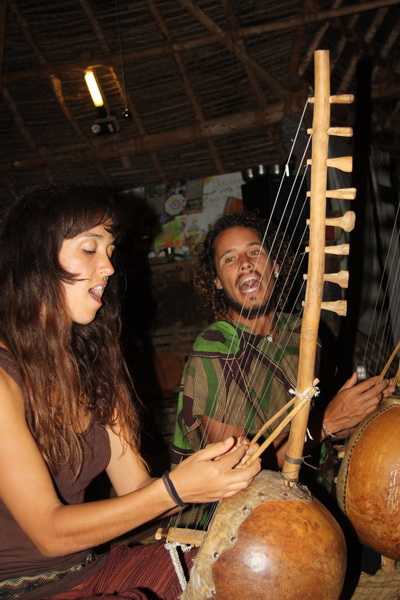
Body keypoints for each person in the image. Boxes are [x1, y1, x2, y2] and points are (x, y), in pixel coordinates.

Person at [0, 186, 261, 600]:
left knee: (245, 562)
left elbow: (137, 490)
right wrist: (176, 489)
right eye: (90, 249)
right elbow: (49, 533)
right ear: (35, 260)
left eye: (109, 250)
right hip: (22, 590)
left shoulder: (95, 365)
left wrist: (211, 475)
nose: (108, 267)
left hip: (91, 571)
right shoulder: (4, 378)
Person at [171, 211, 393, 475]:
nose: (245, 264)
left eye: (255, 252)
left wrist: (355, 415)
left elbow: (317, 431)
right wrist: (327, 423)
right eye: (229, 258)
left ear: (275, 266)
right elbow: (236, 466)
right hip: (247, 500)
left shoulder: (302, 332)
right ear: (217, 281)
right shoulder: (214, 348)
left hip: (312, 489)